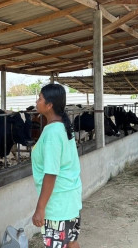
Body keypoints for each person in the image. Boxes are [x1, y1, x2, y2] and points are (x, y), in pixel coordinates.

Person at [31, 84, 82, 248]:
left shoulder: (52, 132)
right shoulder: (63, 127)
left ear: (49, 105)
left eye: (39, 98)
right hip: (70, 200)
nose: (37, 101)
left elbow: (51, 173)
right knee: (71, 242)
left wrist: (40, 208)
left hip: (58, 204)